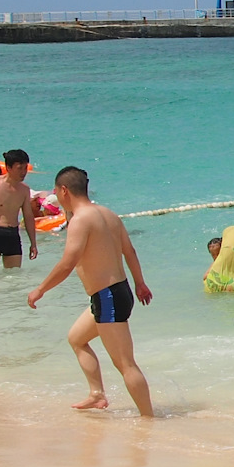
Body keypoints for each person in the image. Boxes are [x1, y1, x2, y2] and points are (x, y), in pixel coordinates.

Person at [27, 165, 154, 416]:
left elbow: (67, 263)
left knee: (126, 364)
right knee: (77, 338)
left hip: (108, 297)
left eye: (56, 193)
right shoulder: (108, 214)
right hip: (117, 291)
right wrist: (140, 283)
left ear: (64, 191)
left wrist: (40, 290)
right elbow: (129, 251)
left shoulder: (80, 220)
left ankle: (149, 418)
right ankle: (96, 395)